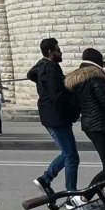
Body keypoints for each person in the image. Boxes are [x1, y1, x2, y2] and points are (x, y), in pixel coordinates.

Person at [67, 48, 105, 185]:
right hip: (99, 124)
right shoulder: (95, 76)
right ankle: (85, 197)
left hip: (90, 124)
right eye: (103, 63)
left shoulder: (78, 79)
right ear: (97, 62)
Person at [29, 38, 80, 194]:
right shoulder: (50, 69)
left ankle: (45, 180)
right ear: (50, 52)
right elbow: (57, 95)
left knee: (69, 154)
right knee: (71, 156)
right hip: (56, 117)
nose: (61, 52)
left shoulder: (43, 66)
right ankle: (71, 193)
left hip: (53, 117)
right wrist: (75, 97)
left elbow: (31, 74)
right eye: (58, 50)